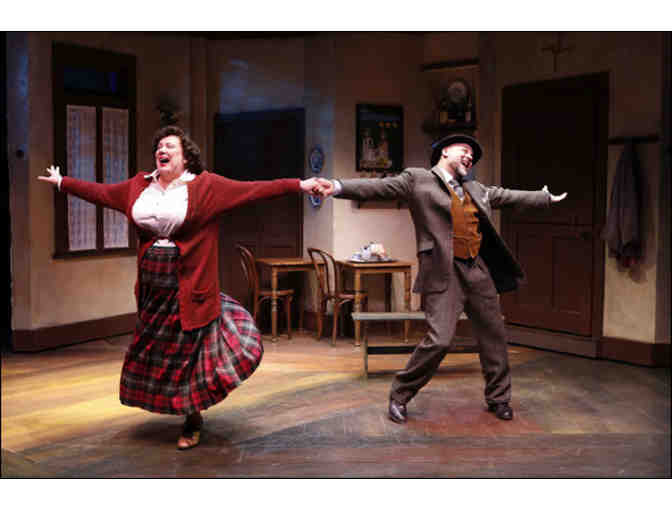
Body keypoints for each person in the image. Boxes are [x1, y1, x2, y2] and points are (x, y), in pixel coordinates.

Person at [39, 125, 325, 449]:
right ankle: (171, 404)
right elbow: (102, 193)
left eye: (169, 146)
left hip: (189, 287)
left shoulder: (206, 187)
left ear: (186, 156)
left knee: (189, 354)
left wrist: (300, 185)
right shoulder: (139, 186)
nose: (161, 150)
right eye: (159, 147)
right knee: (162, 354)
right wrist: (63, 182)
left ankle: (192, 418)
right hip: (153, 289)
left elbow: (255, 190)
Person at [317, 134, 567, 424]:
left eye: (473, 155)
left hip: (477, 269)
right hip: (444, 270)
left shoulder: (475, 188)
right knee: (439, 340)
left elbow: (506, 195)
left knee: (494, 334)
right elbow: (378, 187)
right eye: (465, 150)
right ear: (445, 151)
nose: (469, 157)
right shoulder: (417, 180)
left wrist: (543, 197)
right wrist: (336, 186)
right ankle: (400, 395)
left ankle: (499, 398)